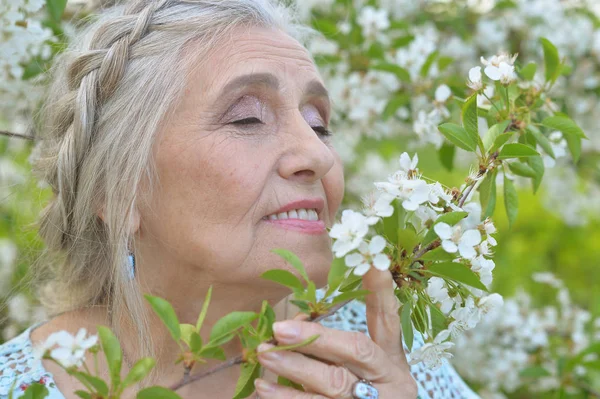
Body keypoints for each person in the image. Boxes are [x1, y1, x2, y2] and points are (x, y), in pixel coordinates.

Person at [0, 1, 479, 398]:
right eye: (247, 119)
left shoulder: (387, 361)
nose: (317, 153)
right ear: (118, 191)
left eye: (319, 124)